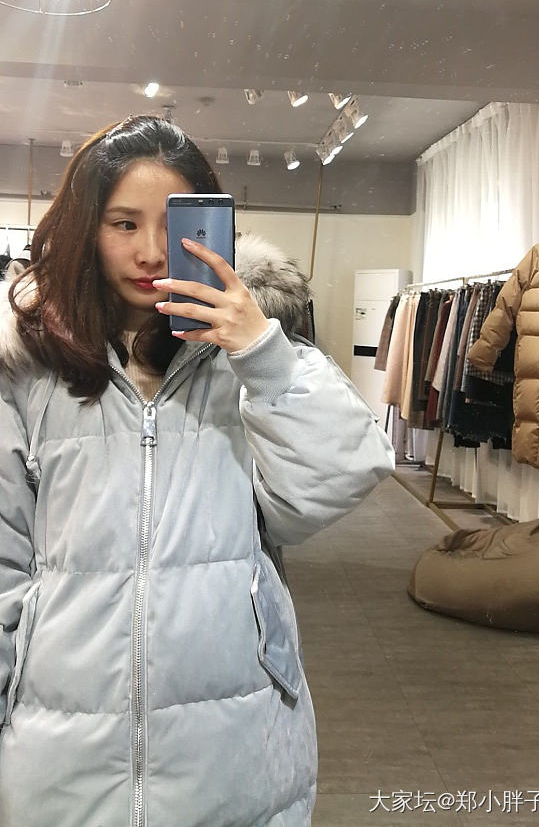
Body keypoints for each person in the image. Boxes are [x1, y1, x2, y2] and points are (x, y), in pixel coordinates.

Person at [0, 114, 395, 827]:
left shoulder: (250, 357)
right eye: (124, 223)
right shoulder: (29, 367)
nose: (151, 251)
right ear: (86, 228)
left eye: (172, 225)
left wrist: (261, 354)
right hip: (61, 739)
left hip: (234, 734)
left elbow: (334, 482)